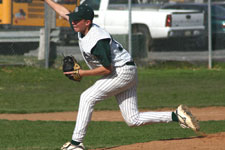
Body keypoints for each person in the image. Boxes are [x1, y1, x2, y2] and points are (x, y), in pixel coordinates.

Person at [44, 1, 200, 150]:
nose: (73, 23)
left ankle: (76, 143)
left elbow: (107, 68)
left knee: (86, 97)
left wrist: (82, 73)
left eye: (77, 21)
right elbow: (64, 13)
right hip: (126, 70)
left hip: (121, 72)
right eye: (73, 20)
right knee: (133, 120)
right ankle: (177, 116)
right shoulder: (82, 27)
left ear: (87, 22)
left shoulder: (97, 40)